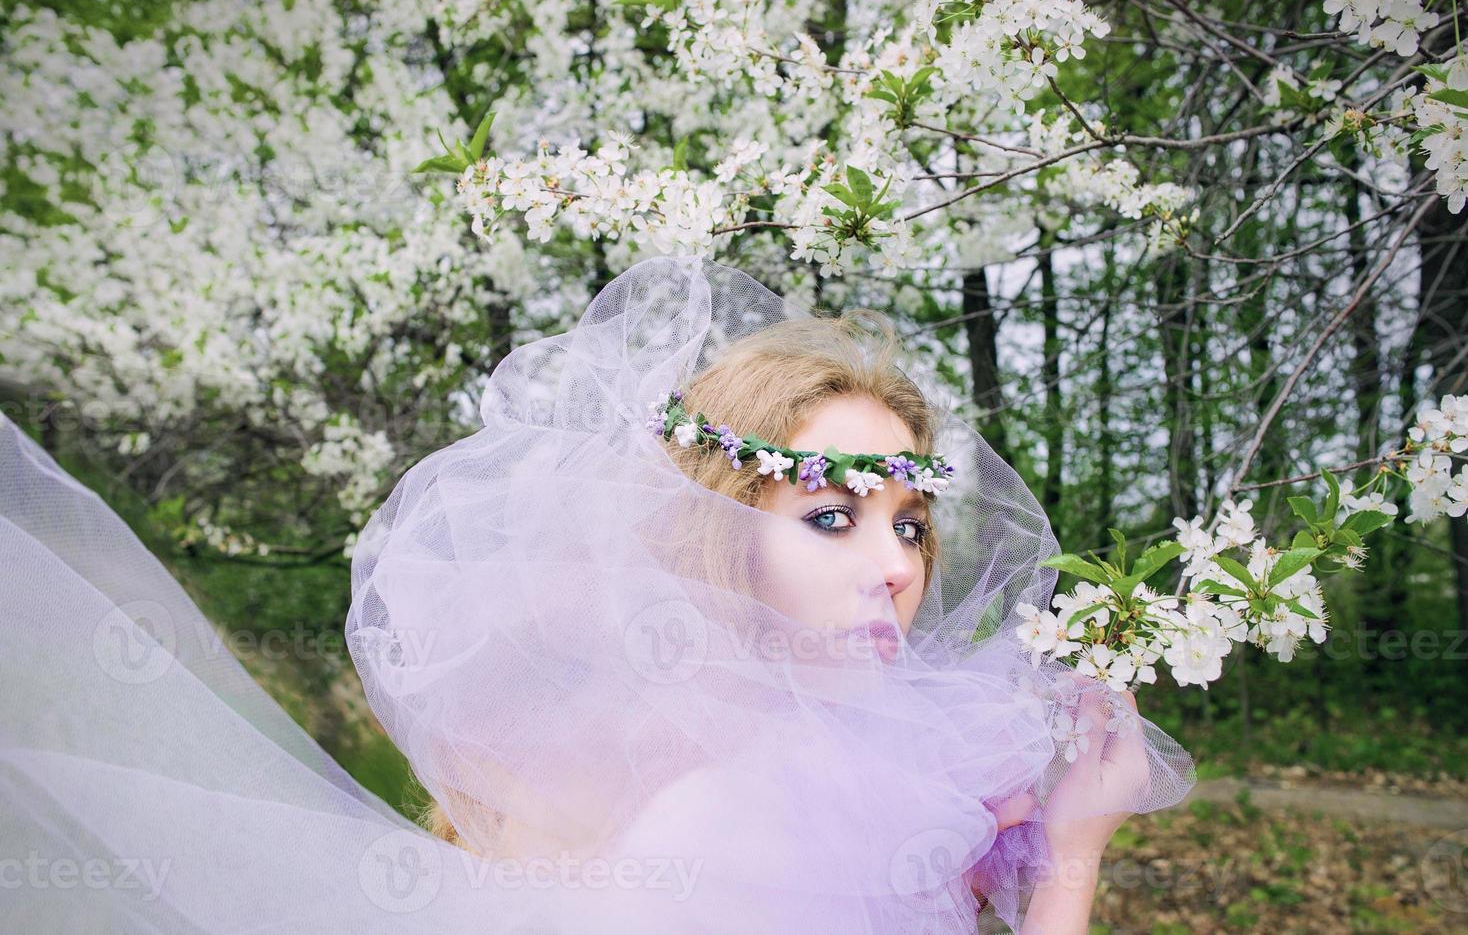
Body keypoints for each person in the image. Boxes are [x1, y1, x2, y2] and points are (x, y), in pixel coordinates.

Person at [0, 254, 1195, 932]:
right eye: (830, 515)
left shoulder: (823, 764)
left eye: (910, 522)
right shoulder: (728, 818)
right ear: (717, 537)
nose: (895, 566)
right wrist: (1072, 868)